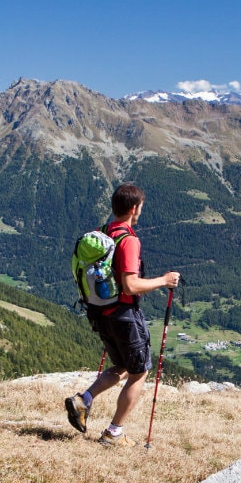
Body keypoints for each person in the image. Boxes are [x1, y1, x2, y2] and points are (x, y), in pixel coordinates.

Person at [65, 183, 181, 447]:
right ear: (133, 208)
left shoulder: (101, 234)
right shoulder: (128, 240)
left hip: (98, 312)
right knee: (139, 372)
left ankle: (83, 400)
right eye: (140, 207)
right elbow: (130, 285)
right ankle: (114, 432)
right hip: (123, 315)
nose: (140, 211)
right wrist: (164, 280)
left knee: (123, 366)